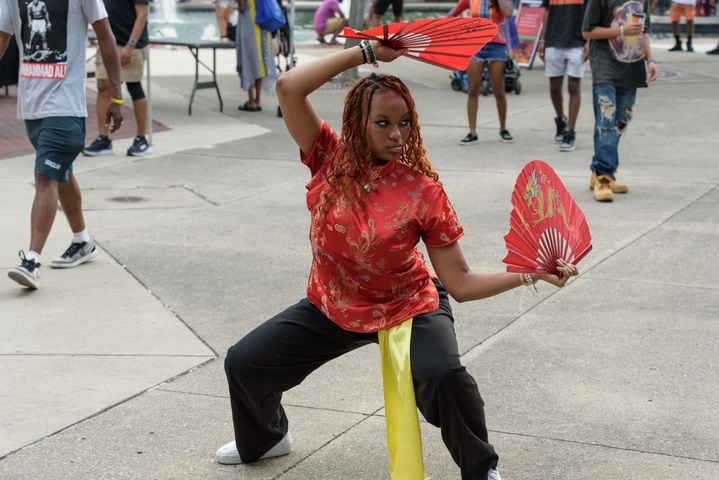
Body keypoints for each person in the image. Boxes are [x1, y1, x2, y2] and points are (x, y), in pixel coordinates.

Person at [214, 40, 579, 480]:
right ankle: (268, 437)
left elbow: (459, 283)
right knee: (245, 363)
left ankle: (482, 469)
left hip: (405, 305)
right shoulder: (328, 158)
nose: (397, 135)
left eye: (404, 123)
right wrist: (366, 53)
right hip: (332, 304)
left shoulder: (422, 191)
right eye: (383, 123)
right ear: (357, 124)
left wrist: (528, 274)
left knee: (443, 375)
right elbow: (290, 87)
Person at [1, 0, 123, 289]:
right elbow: (2, 39)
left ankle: (32, 259)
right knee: (60, 173)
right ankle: (82, 240)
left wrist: (116, 97)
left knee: (45, 178)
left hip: (66, 106)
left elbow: (105, 36)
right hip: (32, 106)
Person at [583, 0, 658, 202]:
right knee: (606, 120)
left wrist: (650, 60)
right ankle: (603, 176)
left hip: (632, 67)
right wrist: (621, 30)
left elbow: (644, 31)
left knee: (621, 120)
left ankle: (599, 167)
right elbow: (587, 32)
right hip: (605, 67)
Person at [83, 0, 151, 158]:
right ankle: (103, 138)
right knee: (103, 86)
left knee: (134, 87)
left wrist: (131, 45)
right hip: (108, 44)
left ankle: (141, 138)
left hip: (131, 45)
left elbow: (142, 14)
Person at [450, 0, 516, 145]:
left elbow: (508, 13)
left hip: (497, 46)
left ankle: (503, 128)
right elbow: (453, 14)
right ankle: (472, 132)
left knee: (499, 91)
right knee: (473, 90)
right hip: (476, 45)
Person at [538, 0, 588, 152]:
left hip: (578, 42)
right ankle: (561, 120)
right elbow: (546, 12)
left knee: (573, 86)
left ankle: (570, 131)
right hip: (554, 41)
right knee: (554, 88)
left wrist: (589, 41)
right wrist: (542, 39)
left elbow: (591, 14)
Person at [235, 0, 278, 112]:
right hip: (264, 27)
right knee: (260, 63)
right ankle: (258, 99)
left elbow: (242, 8)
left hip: (249, 27)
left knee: (248, 62)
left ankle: (251, 101)